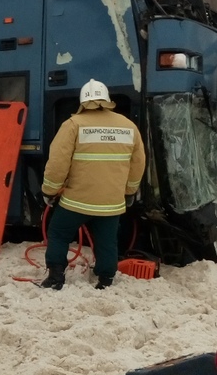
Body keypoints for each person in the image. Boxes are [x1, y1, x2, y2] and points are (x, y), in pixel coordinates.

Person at [41, 79, 146, 290]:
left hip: (76, 201)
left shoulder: (73, 125)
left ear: (83, 101)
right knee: (107, 241)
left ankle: (55, 277)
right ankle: (105, 279)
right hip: (111, 203)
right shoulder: (128, 127)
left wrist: (49, 191)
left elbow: (58, 162)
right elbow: (138, 163)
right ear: (107, 99)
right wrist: (129, 191)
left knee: (58, 232)